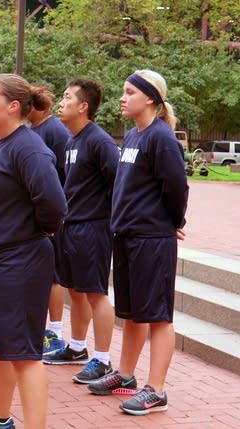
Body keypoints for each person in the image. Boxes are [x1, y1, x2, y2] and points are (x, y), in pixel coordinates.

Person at [0, 74, 67, 429]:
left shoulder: (30, 148)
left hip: (18, 263)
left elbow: (53, 204)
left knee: (24, 353)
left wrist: (32, 231)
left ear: (12, 107)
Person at [88, 70, 188, 416]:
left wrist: (174, 222)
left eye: (129, 92)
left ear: (149, 98)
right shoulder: (132, 136)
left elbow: (176, 187)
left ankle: (156, 390)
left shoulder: (161, 138)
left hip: (152, 239)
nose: (122, 97)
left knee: (157, 316)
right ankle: (126, 376)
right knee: (132, 313)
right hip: (127, 236)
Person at [43, 79, 120, 387]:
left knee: (96, 294)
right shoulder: (72, 141)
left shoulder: (99, 141)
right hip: (70, 227)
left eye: (67, 98)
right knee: (75, 291)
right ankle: (76, 347)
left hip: (93, 228)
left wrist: (112, 219)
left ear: (83, 106)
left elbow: (119, 183)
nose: (61, 103)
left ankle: (102, 360)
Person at [28, 83, 71, 355]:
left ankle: (55, 331)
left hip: (52, 219)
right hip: (34, 216)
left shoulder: (54, 131)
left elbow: (62, 175)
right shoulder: (34, 130)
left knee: (54, 276)